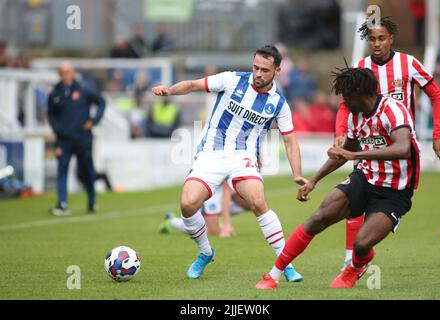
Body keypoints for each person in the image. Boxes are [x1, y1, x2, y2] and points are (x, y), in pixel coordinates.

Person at [255, 66, 421, 289]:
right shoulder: (355, 117)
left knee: (361, 244)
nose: (342, 102)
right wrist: (314, 180)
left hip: (395, 191)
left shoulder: (393, 110)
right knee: (319, 217)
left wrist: (355, 154)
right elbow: (344, 154)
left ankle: (355, 267)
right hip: (365, 178)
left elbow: (403, 148)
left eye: (346, 96)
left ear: (360, 93)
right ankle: (273, 275)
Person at [152, 45, 308, 281]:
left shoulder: (279, 103)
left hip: (243, 156)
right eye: (255, 67)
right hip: (211, 152)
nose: (258, 73)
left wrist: (297, 173)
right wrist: (169, 91)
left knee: (257, 201)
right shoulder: (232, 80)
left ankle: (285, 263)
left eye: (264, 70)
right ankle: (205, 253)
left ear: (276, 70)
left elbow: (290, 141)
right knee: (187, 204)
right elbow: (194, 84)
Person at [334, 17, 440, 270]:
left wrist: (438, 134)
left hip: (400, 148)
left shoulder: (408, 64)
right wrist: (341, 132)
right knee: (354, 192)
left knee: (382, 199)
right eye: (372, 39)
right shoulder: (361, 67)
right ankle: (349, 258)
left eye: (381, 38)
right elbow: (345, 105)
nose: (376, 44)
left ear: (391, 39)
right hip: (368, 143)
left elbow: (436, 95)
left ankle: (370, 240)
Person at [47, 62, 106, 215]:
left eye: (68, 72)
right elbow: (50, 114)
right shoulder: (55, 93)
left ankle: (92, 200)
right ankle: (62, 203)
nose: (65, 75)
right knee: (62, 169)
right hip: (63, 139)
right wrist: (57, 129)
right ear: (59, 74)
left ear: (73, 73)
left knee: (86, 171)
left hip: (83, 138)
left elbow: (101, 102)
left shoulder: (84, 89)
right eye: (62, 72)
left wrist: (94, 121)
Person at [159, 179, 249, 237]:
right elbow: (226, 194)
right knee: (212, 232)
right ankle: (172, 221)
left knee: (252, 202)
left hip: (223, 191)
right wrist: (227, 224)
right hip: (212, 189)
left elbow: (228, 193)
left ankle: (210, 220)